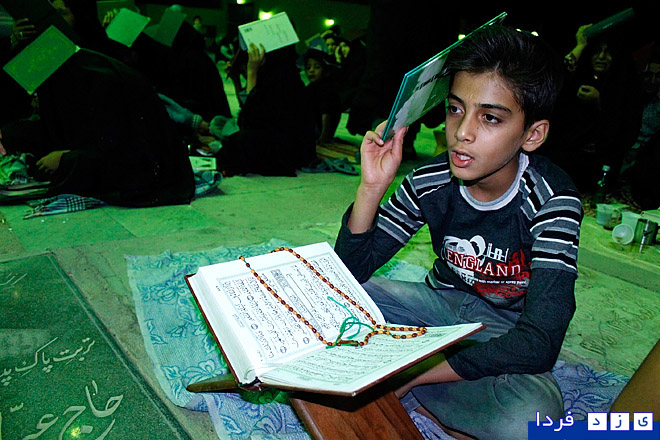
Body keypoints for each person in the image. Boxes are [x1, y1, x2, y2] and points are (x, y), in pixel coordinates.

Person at [335, 25, 582, 439]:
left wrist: (418, 376)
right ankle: (438, 388)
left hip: (504, 330)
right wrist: (371, 188)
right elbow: (349, 272)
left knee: (532, 421)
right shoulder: (429, 181)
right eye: (454, 109)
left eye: (490, 118)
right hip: (436, 310)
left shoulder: (552, 201)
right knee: (332, 297)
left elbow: (539, 341)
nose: (462, 132)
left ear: (532, 134)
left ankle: (412, 376)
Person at [543, 23, 644, 195]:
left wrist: (600, 103)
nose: (601, 57)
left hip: (599, 174)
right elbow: (554, 80)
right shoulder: (578, 79)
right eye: (597, 52)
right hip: (563, 169)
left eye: (607, 52)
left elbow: (624, 132)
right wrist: (580, 46)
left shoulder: (625, 88)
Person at [214, 43, 316, 176]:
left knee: (238, 141)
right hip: (287, 146)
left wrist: (252, 71)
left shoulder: (281, 79)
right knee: (223, 126)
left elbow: (248, 121)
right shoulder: (284, 74)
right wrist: (238, 79)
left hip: (283, 152)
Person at [303, 48, 342, 146]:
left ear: (325, 70)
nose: (311, 71)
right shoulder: (310, 88)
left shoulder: (327, 89)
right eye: (308, 67)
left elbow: (326, 113)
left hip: (322, 129)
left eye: (317, 67)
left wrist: (324, 136)